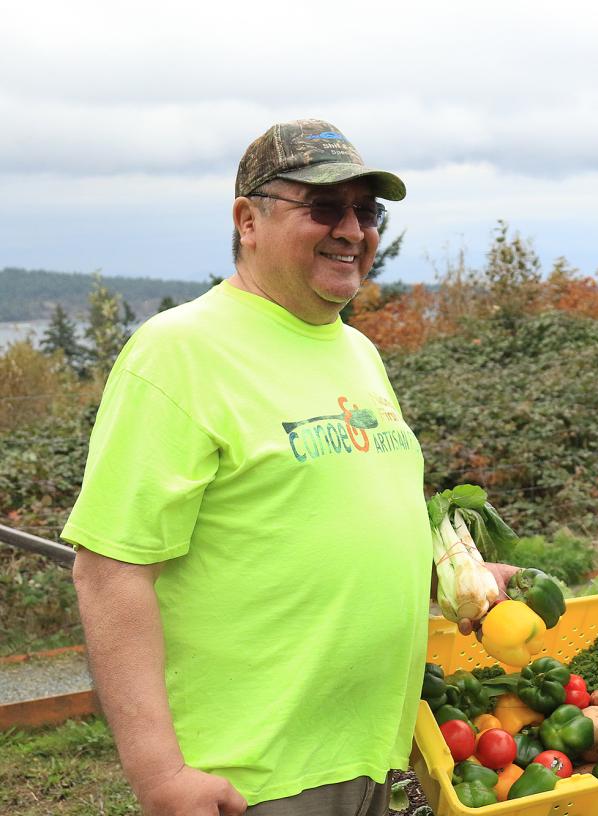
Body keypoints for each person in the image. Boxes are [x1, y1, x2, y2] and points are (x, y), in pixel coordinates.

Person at [64, 119, 509, 816]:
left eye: (367, 212)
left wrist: (452, 579)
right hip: (253, 776)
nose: (353, 230)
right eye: (325, 208)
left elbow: (342, 520)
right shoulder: (179, 352)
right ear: (248, 219)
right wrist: (159, 775)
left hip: (372, 753)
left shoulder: (356, 351)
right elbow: (110, 571)